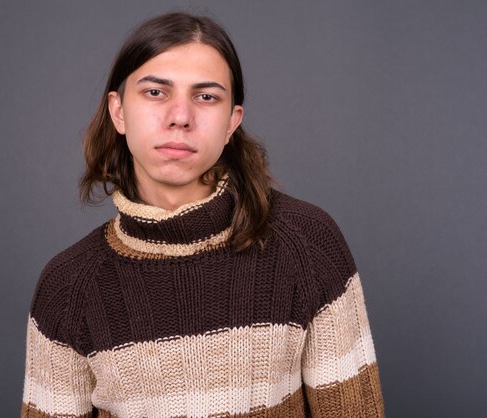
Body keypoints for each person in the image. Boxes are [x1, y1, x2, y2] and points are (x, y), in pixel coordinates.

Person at [21, 11, 384, 418]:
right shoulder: (67, 288)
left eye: (206, 96)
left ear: (232, 122)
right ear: (118, 111)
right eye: (156, 92)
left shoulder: (308, 244)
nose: (180, 116)